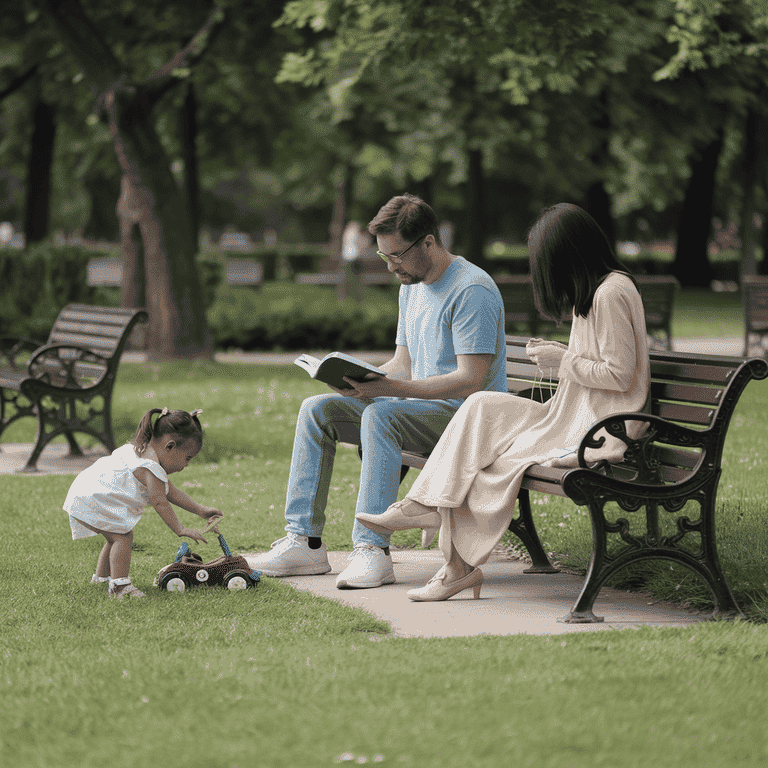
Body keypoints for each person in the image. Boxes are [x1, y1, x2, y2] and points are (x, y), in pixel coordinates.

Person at [356, 203, 651, 601]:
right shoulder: (601, 291)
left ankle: (454, 564)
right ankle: (421, 505)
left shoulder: (612, 292)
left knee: (490, 463)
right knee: (481, 405)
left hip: (602, 426)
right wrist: (562, 353)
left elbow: (620, 375)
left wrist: (563, 361)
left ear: (570, 254)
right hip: (572, 413)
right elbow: (605, 365)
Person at [248, 193, 507, 589]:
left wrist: (388, 391)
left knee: (383, 414)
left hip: (469, 421)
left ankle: (372, 550)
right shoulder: (412, 285)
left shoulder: (472, 290)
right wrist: (360, 380)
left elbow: (470, 379)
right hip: (424, 412)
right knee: (318, 409)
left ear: (428, 242)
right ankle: (305, 541)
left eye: (397, 255)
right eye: (384, 257)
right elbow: (402, 363)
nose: (391, 266)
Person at [64, 408, 223, 599]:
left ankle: (102, 578)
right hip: (92, 498)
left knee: (115, 536)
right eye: (187, 458)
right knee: (122, 537)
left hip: (85, 493)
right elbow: (160, 502)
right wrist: (180, 529)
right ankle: (120, 587)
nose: (186, 465)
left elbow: (170, 491)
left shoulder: (142, 450)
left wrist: (201, 510)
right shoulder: (151, 467)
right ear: (170, 446)